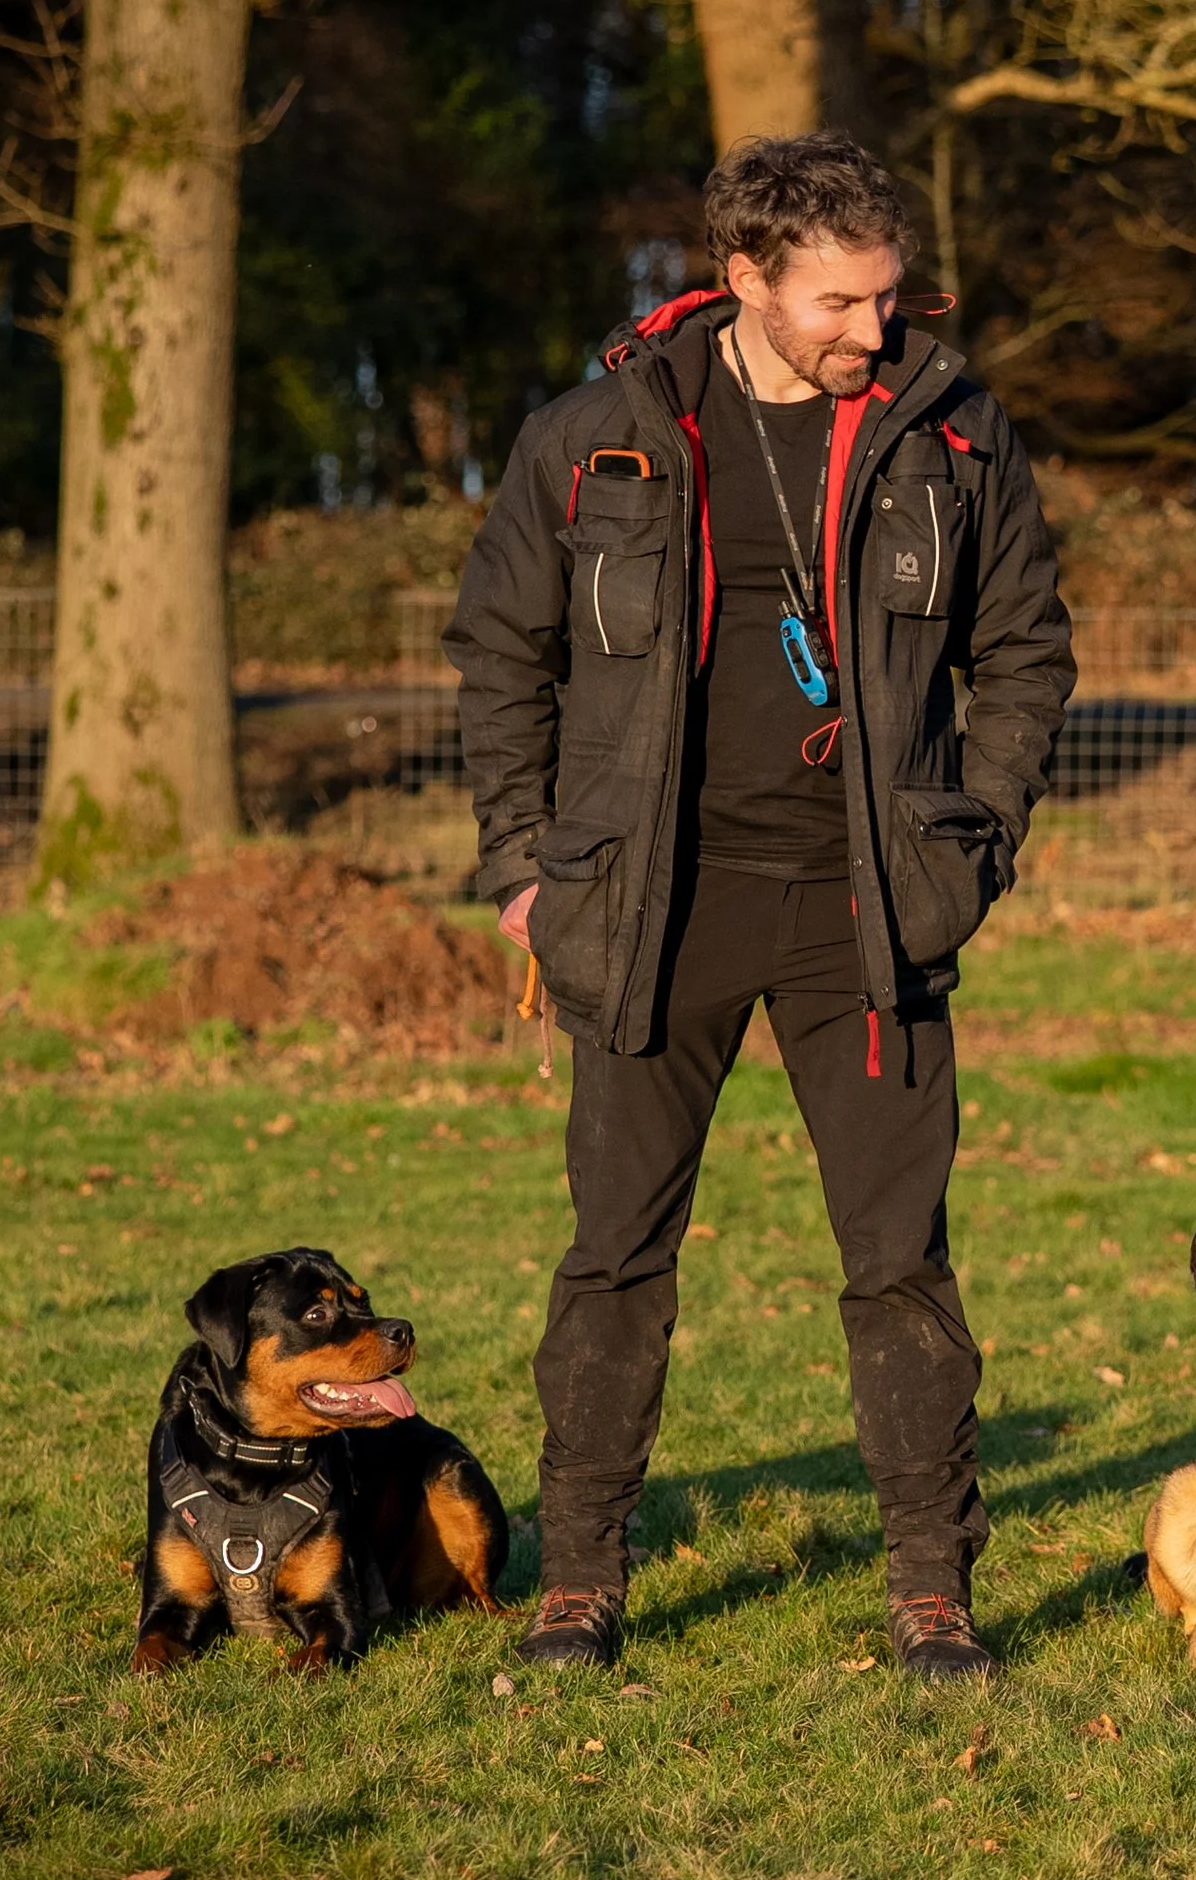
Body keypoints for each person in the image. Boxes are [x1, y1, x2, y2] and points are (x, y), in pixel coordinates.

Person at [444, 131, 1075, 1678]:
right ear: (744, 281)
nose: (878, 331)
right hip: (649, 912)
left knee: (901, 1262)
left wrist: (974, 840)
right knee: (614, 1257)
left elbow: (1028, 653)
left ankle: (933, 1585)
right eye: (844, 302)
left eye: (889, 297)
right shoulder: (595, 436)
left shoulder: (954, 433)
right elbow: (499, 655)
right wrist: (524, 867)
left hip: (868, 917)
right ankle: (579, 1580)